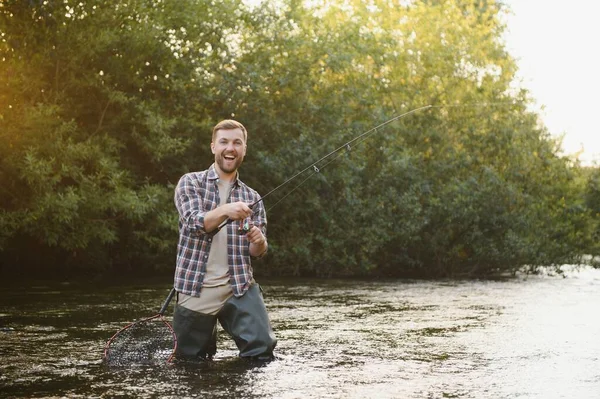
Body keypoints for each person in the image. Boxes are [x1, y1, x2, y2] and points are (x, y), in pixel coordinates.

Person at [172, 119, 276, 361]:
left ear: (244, 149)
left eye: (237, 143)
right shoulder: (190, 182)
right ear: (213, 147)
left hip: (238, 287)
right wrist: (226, 210)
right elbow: (194, 223)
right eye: (224, 142)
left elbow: (258, 252)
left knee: (262, 353)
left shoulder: (252, 196)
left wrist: (259, 241)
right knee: (189, 363)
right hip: (194, 287)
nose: (231, 148)